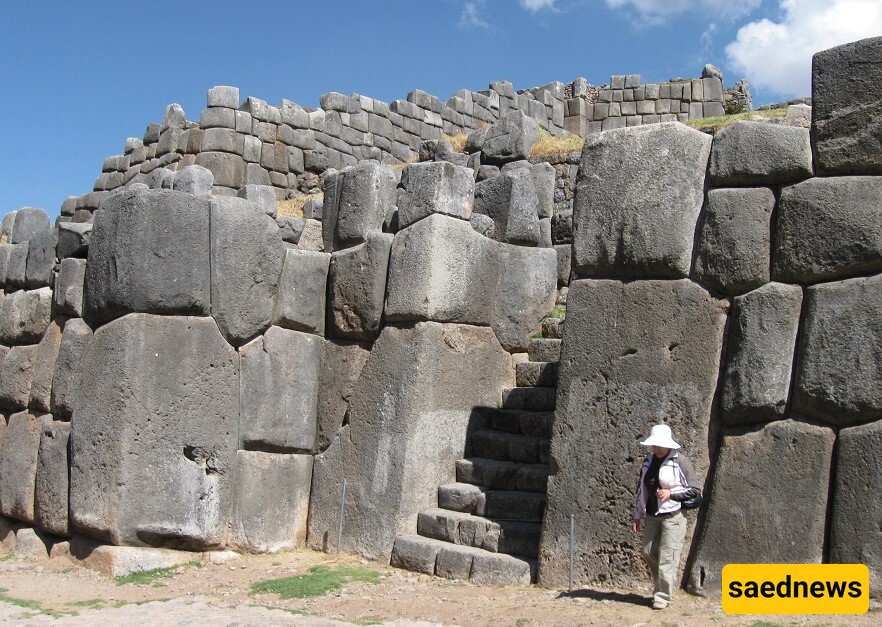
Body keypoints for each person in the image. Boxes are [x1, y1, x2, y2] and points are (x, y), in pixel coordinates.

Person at [631, 424, 700, 610]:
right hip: (652, 514)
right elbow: (641, 488)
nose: (656, 449)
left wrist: (671, 493)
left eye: (659, 445)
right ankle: (661, 585)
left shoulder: (681, 462)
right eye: (654, 445)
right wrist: (637, 514)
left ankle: (662, 596)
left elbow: (694, 490)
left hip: (673, 515)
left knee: (668, 556)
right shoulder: (648, 460)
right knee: (648, 551)